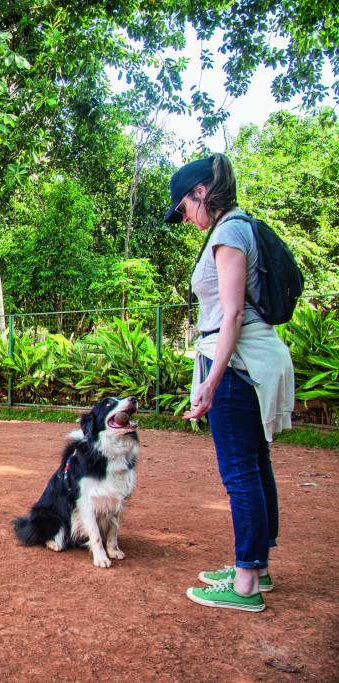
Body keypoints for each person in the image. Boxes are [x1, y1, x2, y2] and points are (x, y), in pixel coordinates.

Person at [166, 153, 294, 613]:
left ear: (202, 192)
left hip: (239, 365)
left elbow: (233, 315)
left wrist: (211, 382)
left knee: (240, 471)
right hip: (245, 361)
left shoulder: (229, 232)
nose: (184, 218)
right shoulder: (235, 228)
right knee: (255, 466)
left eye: (183, 207)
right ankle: (254, 568)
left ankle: (244, 584)